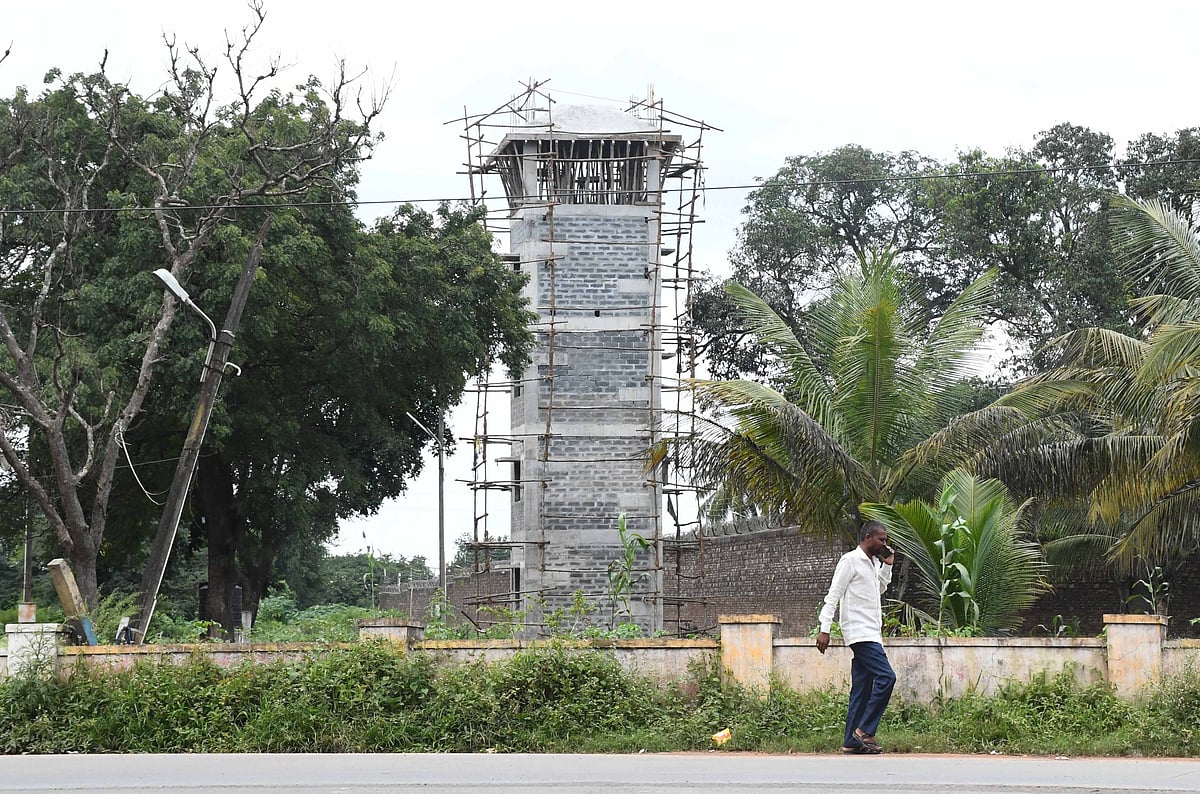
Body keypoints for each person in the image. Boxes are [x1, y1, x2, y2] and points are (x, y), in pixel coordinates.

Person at [816, 519, 897, 755]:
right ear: (868, 537)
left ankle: (851, 742)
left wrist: (887, 565)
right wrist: (825, 628)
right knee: (887, 677)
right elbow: (833, 595)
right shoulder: (850, 561)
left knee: (861, 689)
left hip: (872, 631)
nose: (885, 544)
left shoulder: (872, 563)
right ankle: (864, 731)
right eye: (881, 539)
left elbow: (878, 589)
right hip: (860, 632)